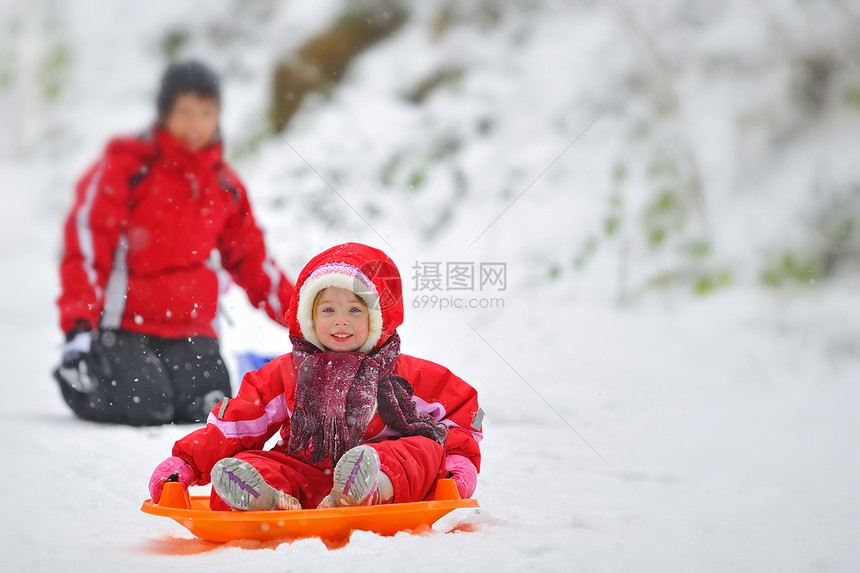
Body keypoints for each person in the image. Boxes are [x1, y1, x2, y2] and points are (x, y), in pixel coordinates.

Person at [148, 242, 483, 510]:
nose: (341, 321)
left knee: (423, 449)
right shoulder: (289, 372)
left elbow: (459, 414)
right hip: (308, 476)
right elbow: (238, 422)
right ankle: (269, 500)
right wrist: (187, 462)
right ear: (308, 316)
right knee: (250, 461)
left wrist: (457, 464)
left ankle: (369, 488)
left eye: (355, 309)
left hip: (387, 473)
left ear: (379, 316)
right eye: (328, 310)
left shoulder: (403, 374)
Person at [54, 61, 295, 426]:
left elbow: (252, 261)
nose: (195, 124)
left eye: (206, 113)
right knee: (147, 405)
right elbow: (88, 247)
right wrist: (78, 325)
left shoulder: (224, 185)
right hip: (124, 325)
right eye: (185, 112)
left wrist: (305, 320)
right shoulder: (128, 168)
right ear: (165, 113)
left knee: (209, 407)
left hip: (191, 327)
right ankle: (81, 377)